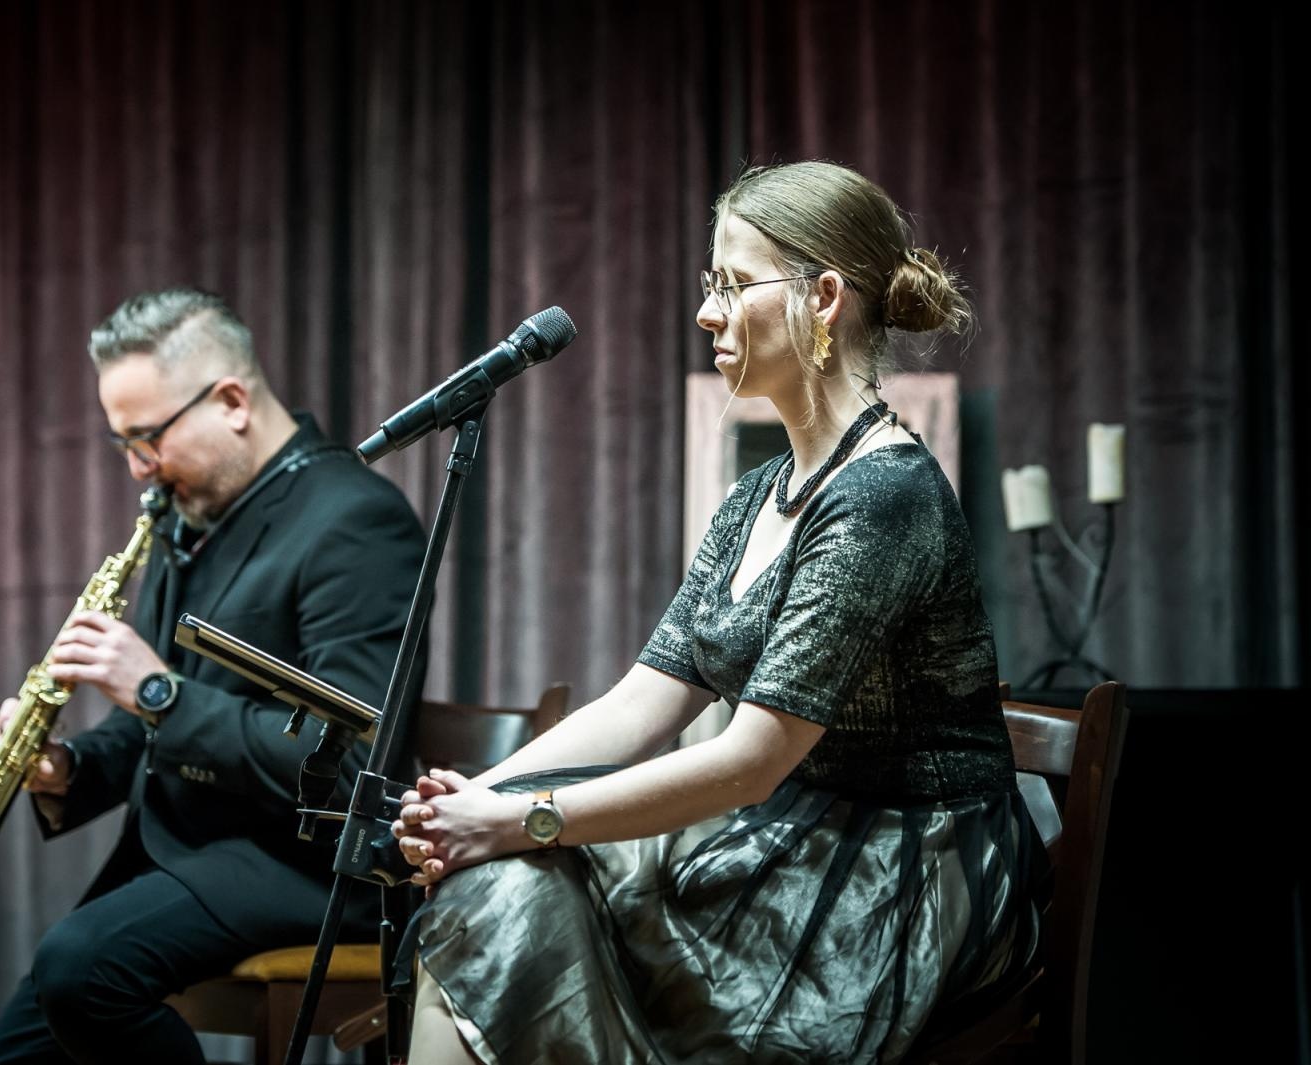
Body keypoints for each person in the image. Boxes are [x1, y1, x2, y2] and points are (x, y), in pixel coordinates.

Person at [391, 161, 1041, 1064]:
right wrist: (485, 799)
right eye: (712, 285)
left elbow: (749, 761)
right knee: (486, 885)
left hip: (893, 880)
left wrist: (518, 817)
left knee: (506, 872)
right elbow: (643, 700)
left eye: (733, 285)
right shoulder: (757, 494)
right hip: (788, 839)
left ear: (822, 297)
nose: (706, 313)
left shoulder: (886, 496)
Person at [0, 288, 427, 1064]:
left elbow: (349, 765)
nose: (141, 469)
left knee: (81, 967)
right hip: (186, 852)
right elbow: (148, 728)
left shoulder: (356, 519)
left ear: (232, 401)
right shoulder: (190, 520)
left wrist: (155, 690)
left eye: (148, 439)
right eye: (125, 445)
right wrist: (61, 766)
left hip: (310, 863)